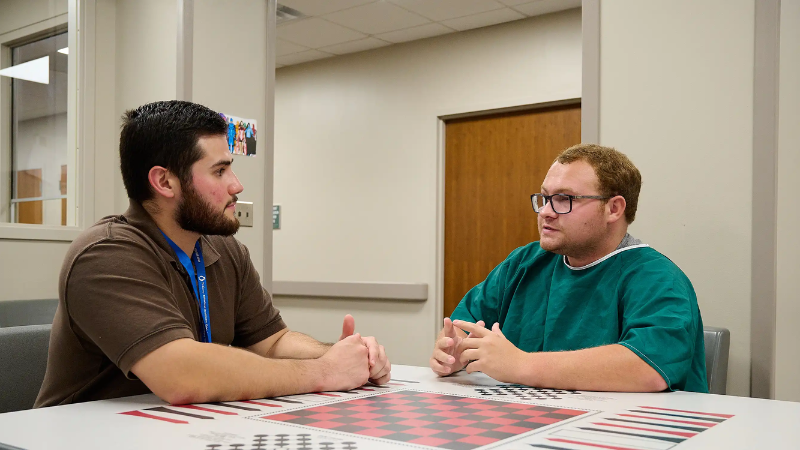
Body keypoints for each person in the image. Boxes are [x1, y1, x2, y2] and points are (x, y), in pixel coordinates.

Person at [35, 100, 390, 408]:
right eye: (220, 171)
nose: (237, 185)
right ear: (165, 182)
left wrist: (349, 355)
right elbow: (181, 376)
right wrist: (324, 372)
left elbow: (272, 342)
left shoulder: (223, 248)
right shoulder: (106, 254)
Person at [430, 144, 707, 393]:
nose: (546, 212)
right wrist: (453, 352)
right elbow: (462, 326)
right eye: (545, 197)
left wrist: (521, 365)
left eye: (565, 199)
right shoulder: (525, 262)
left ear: (614, 208)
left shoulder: (656, 277)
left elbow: (649, 369)